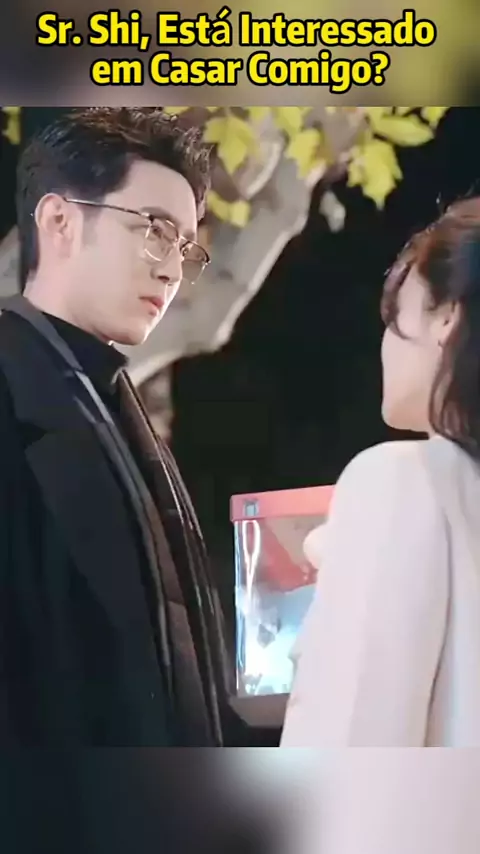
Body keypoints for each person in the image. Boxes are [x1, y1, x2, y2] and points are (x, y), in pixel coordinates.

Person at [0, 107, 232, 746]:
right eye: (155, 231)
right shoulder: (18, 382)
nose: (172, 270)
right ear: (59, 221)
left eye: (185, 248)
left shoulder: (111, 399)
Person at [281, 196, 480, 747]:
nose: (385, 345)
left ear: (448, 318)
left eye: (394, 319)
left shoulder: (403, 480)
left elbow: (349, 746)